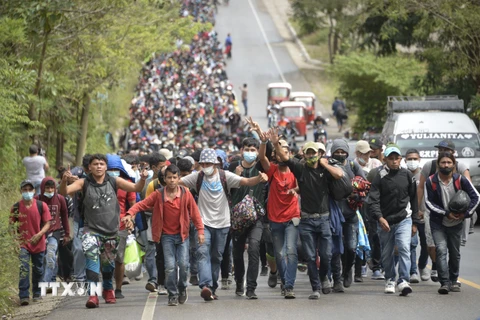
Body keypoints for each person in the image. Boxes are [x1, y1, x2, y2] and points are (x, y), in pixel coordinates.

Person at [59, 154, 148, 309]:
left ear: (106, 167)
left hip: (111, 231)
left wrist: (143, 178)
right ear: (90, 168)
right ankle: (93, 295)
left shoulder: (115, 181)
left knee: (108, 266)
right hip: (90, 230)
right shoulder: (83, 182)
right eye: (95, 164)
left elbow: (136, 188)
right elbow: (63, 193)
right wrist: (64, 181)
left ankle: (108, 289)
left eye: (101, 164)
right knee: (91, 260)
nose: (99, 166)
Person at [178, 149, 268, 301]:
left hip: (223, 224)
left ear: (215, 164)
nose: (206, 166)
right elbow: (177, 182)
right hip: (203, 223)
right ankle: (205, 285)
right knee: (202, 253)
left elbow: (246, 182)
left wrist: (259, 178)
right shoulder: (197, 177)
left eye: (208, 163)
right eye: (203, 163)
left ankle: (212, 288)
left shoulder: (224, 176)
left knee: (216, 257)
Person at [271, 130, 344, 300]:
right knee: (311, 257)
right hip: (306, 220)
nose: (311, 155)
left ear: (319, 154)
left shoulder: (326, 170)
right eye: (308, 152)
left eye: (314, 153)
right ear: (304, 154)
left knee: (326, 255)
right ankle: (316, 288)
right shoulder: (300, 168)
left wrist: (324, 164)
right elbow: (285, 157)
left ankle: (324, 276)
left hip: (324, 219)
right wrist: (275, 143)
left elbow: (339, 174)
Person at [125, 165, 205, 306]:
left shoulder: (186, 193)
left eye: (175, 177)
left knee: (183, 264)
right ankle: (172, 294)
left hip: (183, 236)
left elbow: (195, 213)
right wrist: (130, 213)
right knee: (169, 267)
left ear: (179, 178)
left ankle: (182, 288)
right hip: (166, 236)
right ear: (164, 179)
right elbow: (141, 205)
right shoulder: (158, 194)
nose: (172, 180)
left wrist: (200, 231)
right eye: (169, 177)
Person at [424, 152, 480, 294]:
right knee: (441, 250)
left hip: (456, 224)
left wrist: (466, 214)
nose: (446, 165)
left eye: (449, 162)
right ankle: (444, 283)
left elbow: (476, 197)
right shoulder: (431, 181)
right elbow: (428, 202)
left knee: (454, 253)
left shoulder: (460, 180)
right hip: (438, 223)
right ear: (438, 165)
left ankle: (454, 280)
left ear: (453, 164)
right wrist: (445, 213)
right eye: (443, 162)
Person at [417, 139, 471, 282]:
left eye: (446, 150)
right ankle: (438, 268)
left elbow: (469, 192)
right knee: (433, 245)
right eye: (440, 150)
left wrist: (466, 213)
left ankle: (451, 277)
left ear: (453, 155)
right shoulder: (430, 166)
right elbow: (421, 187)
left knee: (454, 250)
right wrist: (419, 209)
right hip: (434, 213)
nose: (442, 153)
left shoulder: (461, 168)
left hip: (456, 215)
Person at [368, 145, 419, 296]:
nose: (394, 161)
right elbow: (373, 200)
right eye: (391, 158)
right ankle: (390, 279)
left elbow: (414, 198)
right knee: (387, 252)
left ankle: (403, 280)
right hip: (385, 221)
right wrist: (380, 218)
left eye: (397, 158)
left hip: (404, 218)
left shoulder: (407, 175)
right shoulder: (380, 177)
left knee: (404, 247)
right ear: (385, 160)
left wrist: (415, 221)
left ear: (400, 159)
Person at [258, 130, 300, 299]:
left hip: (292, 217)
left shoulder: (296, 169)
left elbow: (301, 186)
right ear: (275, 155)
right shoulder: (273, 170)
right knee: (280, 254)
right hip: (275, 219)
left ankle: (289, 285)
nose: (282, 154)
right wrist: (263, 142)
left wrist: (294, 190)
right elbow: (262, 158)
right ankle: (284, 281)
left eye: (286, 151)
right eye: (279, 151)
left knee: (291, 250)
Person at [228, 137, 267, 299]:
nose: (250, 152)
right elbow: (226, 190)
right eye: (247, 149)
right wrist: (234, 177)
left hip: (256, 217)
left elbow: (266, 156)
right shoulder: (232, 168)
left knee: (253, 249)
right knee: (237, 254)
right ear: (241, 150)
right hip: (237, 218)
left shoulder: (261, 168)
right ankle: (239, 281)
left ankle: (251, 287)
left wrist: (263, 140)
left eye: (253, 149)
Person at [329, 139, 366, 291]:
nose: (340, 154)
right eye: (337, 152)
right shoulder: (329, 166)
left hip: (350, 214)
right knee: (335, 249)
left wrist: (359, 196)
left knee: (351, 247)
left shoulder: (352, 165)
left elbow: (365, 184)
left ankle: (347, 271)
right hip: (334, 214)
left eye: (342, 152)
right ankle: (337, 279)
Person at [10, 180, 52, 306]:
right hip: (23, 244)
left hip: (39, 243)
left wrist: (39, 234)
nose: (27, 192)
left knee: (38, 269)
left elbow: (48, 223)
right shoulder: (16, 207)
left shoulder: (41, 205)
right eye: (24, 190)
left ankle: (37, 292)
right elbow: (12, 226)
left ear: (34, 191)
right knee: (24, 268)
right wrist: (15, 241)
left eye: (29, 189)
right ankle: (23, 295)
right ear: (21, 191)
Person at [105, 154, 137, 299]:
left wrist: (131, 219)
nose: (112, 171)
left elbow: (133, 205)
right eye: (110, 169)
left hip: (121, 226)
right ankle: (108, 286)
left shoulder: (126, 184)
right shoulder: (97, 184)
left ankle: (117, 288)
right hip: (102, 226)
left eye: (115, 169)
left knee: (119, 259)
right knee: (105, 258)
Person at [36, 177, 71, 285]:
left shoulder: (60, 199)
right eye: (47, 188)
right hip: (39, 233)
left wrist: (67, 233)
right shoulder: (37, 199)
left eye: (52, 188)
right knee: (43, 258)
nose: (50, 190)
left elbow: (64, 217)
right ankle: (51, 280)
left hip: (54, 232)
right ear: (43, 188)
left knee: (51, 255)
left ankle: (45, 283)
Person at [403, 149, 427, 284]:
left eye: (415, 159)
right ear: (405, 160)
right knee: (411, 244)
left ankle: (422, 265)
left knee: (426, 244)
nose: (412, 161)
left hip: (424, 216)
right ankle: (413, 271)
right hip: (408, 216)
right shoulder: (402, 174)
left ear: (419, 160)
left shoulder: (425, 175)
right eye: (409, 159)